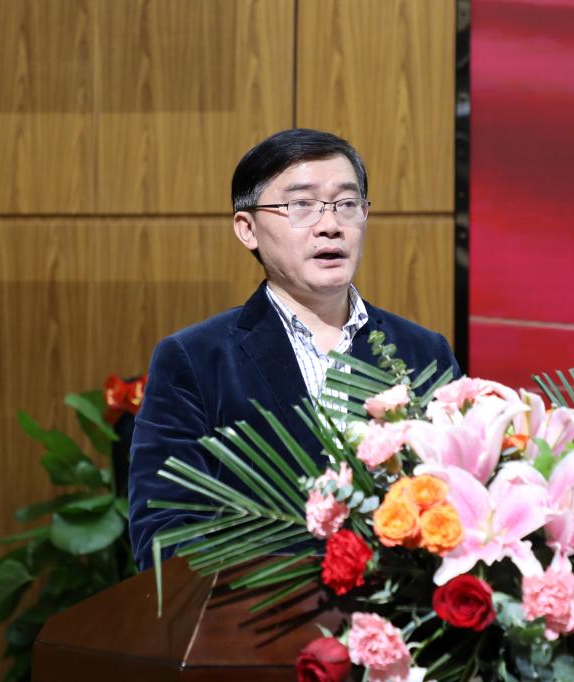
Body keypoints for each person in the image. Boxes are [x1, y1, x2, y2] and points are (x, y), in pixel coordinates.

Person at [127, 128, 460, 570]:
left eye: (347, 204)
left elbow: (461, 498)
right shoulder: (195, 359)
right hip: (260, 607)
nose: (330, 225)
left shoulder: (422, 351)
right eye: (301, 205)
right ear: (248, 229)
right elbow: (165, 529)